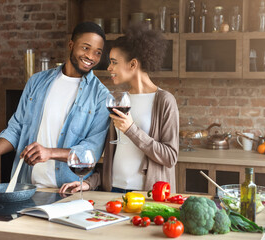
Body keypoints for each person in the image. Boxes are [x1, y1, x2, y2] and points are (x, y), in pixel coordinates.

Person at [0, 22, 110, 189]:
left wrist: (49, 152)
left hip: (69, 191)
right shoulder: (37, 82)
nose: (91, 56)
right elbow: (16, 127)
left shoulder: (101, 96)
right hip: (25, 187)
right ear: (71, 45)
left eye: (98, 52)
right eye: (86, 48)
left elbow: (91, 153)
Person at [60, 23, 179, 194]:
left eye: (114, 62)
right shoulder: (118, 101)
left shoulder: (164, 101)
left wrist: (131, 129)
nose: (109, 68)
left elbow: (170, 157)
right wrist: (88, 183)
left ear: (133, 65)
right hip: (114, 191)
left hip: (146, 195)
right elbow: (112, 160)